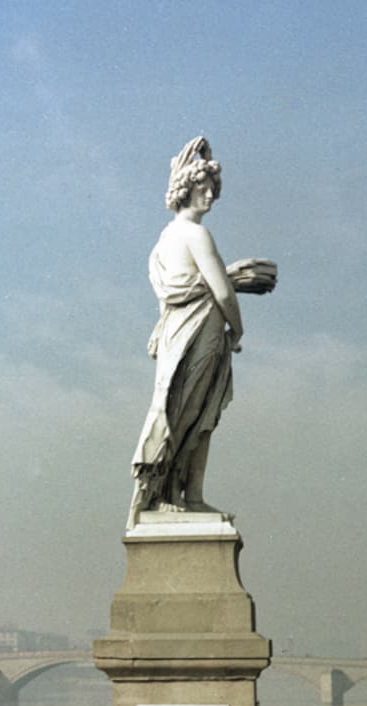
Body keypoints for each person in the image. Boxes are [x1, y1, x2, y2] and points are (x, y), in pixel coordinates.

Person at [127, 137, 244, 529]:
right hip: (200, 332)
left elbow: (170, 296)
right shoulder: (196, 235)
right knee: (194, 412)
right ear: (185, 191)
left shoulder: (164, 239)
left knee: (185, 411)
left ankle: (183, 496)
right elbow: (222, 290)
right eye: (202, 188)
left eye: (213, 189)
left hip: (179, 332)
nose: (209, 195)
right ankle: (175, 496)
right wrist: (239, 329)